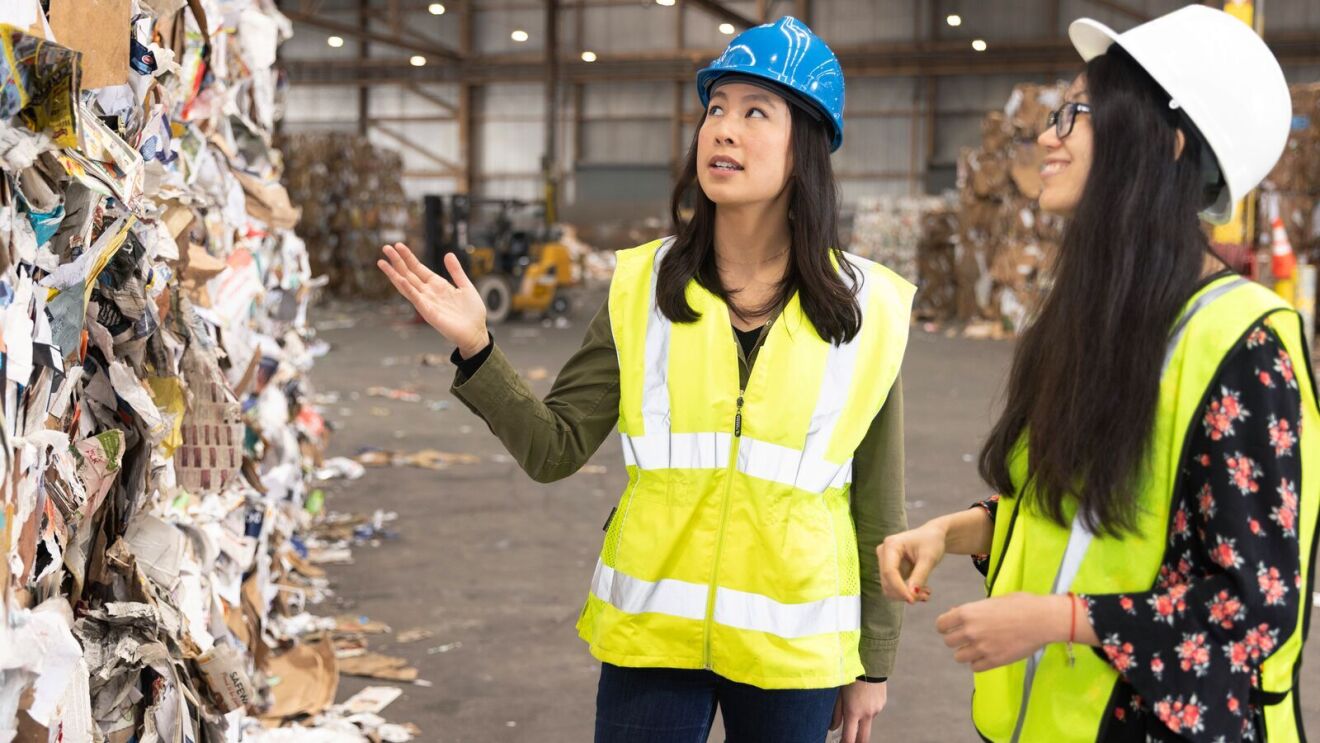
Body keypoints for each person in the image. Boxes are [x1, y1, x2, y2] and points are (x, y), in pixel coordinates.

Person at [377, 16, 914, 743]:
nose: (723, 129)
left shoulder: (866, 306)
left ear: (807, 146)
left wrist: (872, 660)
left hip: (798, 647)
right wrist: (477, 348)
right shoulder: (642, 288)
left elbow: (878, 505)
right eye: (715, 109)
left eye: (756, 112)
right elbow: (554, 446)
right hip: (653, 631)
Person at [877, 6, 1314, 742]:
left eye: (1078, 112)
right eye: (1057, 112)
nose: (1049, 134)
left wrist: (1060, 619)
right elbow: (1083, 516)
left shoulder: (1240, 344)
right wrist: (957, 532)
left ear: (1164, 144)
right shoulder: (1094, 315)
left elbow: (1253, 608)